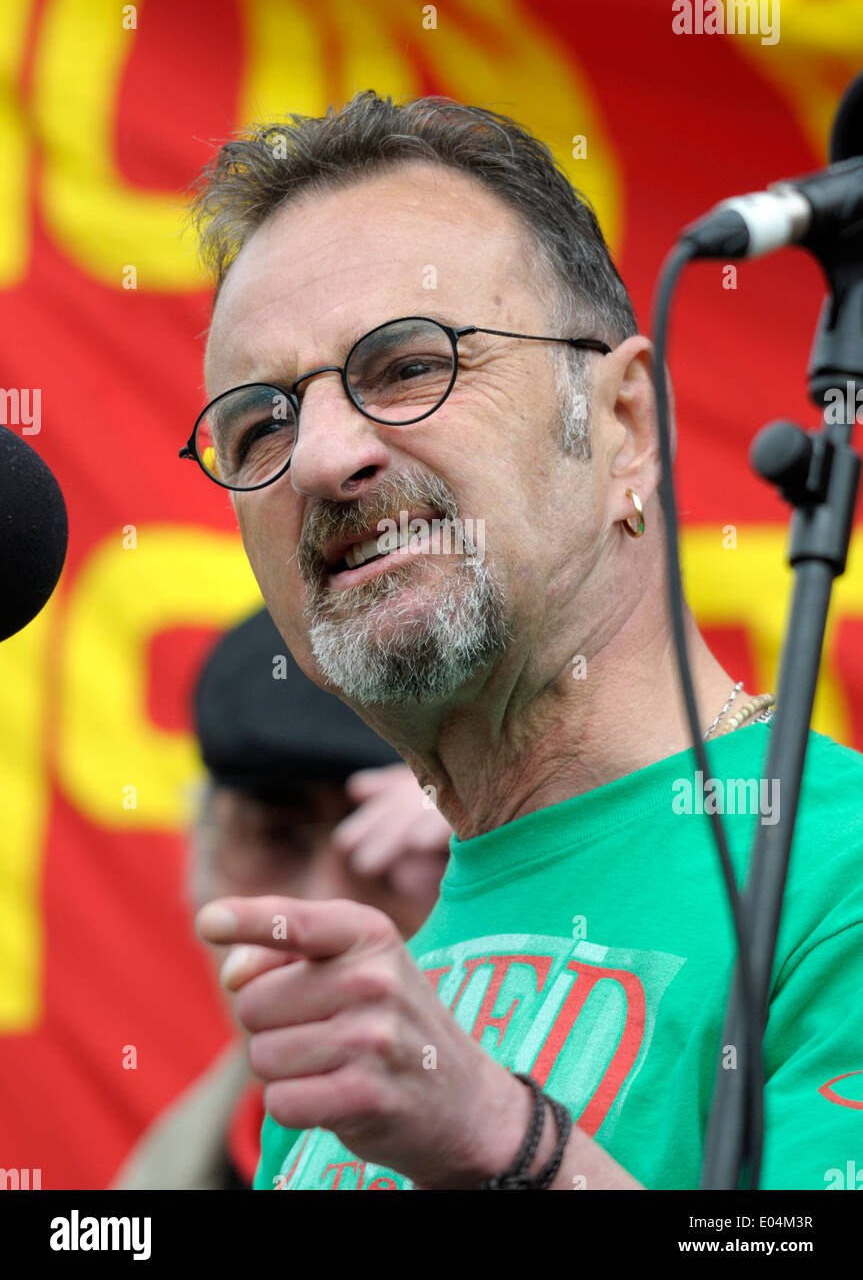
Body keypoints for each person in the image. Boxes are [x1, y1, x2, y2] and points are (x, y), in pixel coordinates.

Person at [180, 92, 863, 1190]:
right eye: (261, 422)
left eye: (406, 365)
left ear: (624, 427)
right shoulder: (348, 1024)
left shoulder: (837, 879)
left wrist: (505, 1145)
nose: (319, 458)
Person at [112, 606, 450, 1189]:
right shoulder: (171, 1169)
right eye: (275, 836)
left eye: (391, 848)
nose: (322, 910)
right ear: (200, 871)